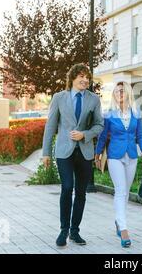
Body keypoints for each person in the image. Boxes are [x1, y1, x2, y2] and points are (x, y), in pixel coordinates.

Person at [42, 64, 104, 248]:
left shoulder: (94, 99)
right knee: (67, 187)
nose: (85, 80)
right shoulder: (59, 98)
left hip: (85, 152)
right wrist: (46, 152)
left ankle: (75, 231)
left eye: (87, 77)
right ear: (73, 77)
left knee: (81, 193)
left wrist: (85, 134)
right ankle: (63, 230)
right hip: (64, 151)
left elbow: (100, 125)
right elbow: (50, 126)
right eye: (81, 76)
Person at [95, 81, 142, 248]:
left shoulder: (136, 113)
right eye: (117, 91)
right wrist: (97, 154)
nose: (119, 93)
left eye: (122, 91)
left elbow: (140, 135)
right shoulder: (109, 115)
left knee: (125, 192)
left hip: (132, 156)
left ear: (128, 93)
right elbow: (103, 137)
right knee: (120, 191)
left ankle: (119, 221)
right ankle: (124, 229)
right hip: (114, 156)